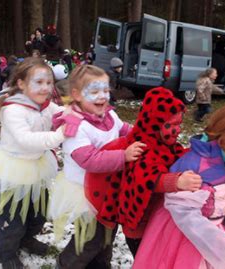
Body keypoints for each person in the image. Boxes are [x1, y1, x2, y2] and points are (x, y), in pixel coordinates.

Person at [134, 99, 225, 269]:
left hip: (215, 234)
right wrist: (218, 243)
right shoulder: (194, 166)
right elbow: (183, 211)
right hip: (188, 236)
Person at [0, 57, 71, 269]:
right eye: (39, 82)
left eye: (49, 82)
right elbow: (26, 141)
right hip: (13, 171)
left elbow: (63, 113)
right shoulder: (13, 110)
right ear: (21, 84)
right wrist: (59, 135)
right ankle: (6, 253)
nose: (45, 88)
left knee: (38, 214)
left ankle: (27, 239)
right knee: (12, 220)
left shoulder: (45, 104)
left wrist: (78, 114)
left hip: (37, 168)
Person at [84, 87, 202, 257]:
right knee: (145, 259)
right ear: (154, 124)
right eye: (170, 125)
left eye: (179, 124)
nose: (178, 130)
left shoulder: (166, 145)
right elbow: (148, 178)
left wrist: (198, 153)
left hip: (155, 219)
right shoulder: (142, 148)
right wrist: (176, 182)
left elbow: (177, 156)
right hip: (139, 225)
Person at [49, 64, 144, 268]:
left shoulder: (109, 116)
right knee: (90, 237)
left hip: (108, 189)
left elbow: (124, 130)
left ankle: (100, 264)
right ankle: (67, 264)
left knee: (107, 232)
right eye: (94, 91)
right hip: (87, 193)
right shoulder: (76, 125)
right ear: (77, 95)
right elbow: (89, 160)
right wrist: (123, 156)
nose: (102, 96)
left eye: (106, 90)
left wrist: (142, 132)